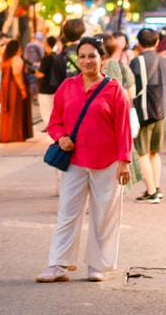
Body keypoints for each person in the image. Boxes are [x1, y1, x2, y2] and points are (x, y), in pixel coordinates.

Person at [36, 38, 134, 283]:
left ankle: (97, 266)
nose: (87, 61)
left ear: (102, 59)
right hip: (75, 161)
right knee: (67, 212)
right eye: (82, 56)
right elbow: (54, 121)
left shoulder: (114, 90)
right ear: (76, 59)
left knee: (104, 215)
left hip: (108, 162)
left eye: (92, 56)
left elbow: (124, 129)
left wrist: (124, 161)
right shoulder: (67, 87)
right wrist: (60, 138)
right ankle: (58, 264)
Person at [128, 29, 166, 204]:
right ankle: (156, 188)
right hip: (161, 112)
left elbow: (131, 91)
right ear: (156, 43)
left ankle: (151, 191)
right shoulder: (165, 62)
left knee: (142, 154)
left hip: (143, 113)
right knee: (154, 153)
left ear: (139, 43)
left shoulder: (136, 62)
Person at [0, 36, 32, 142]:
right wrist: (22, 88)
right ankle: (16, 134)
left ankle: (7, 134)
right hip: (14, 88)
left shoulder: (5, 60)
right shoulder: (16, 59)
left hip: (6, 87)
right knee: (16, 111)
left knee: (8, 111)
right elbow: (17, 74)